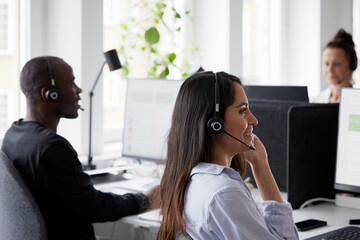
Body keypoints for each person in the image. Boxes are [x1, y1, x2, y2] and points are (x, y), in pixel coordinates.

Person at [1, 56, 154, 240]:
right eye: (72, 84)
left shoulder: (13, 135)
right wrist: (146, 200)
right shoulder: (52, 148)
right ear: (50, 94)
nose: (79, 90)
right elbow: (96, 208)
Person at [156, 71, 299, 240]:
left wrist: (259, 161)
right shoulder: (224, 193)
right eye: (243, 111)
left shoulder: (191, 178)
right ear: (215, 124)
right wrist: (261, 166)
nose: (254, 120)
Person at [312, 29, 358, 103]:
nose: (330, 70)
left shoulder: (357, 101)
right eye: (326, 64)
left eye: (336, 64)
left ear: (352, 65)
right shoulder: (315, 101)